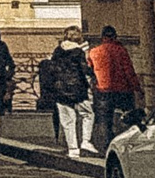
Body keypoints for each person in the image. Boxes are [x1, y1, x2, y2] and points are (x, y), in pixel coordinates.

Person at [89, 24, 141, 158]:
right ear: (115, 36)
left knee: (104, 120)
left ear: (102, 37)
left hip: (102, 90)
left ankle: (107, 148)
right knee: (130, 116)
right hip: (123, 89)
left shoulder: (94, 52)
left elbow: (90, 70)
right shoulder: (121, 50)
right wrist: (136, 87)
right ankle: (132, 144)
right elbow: (128, 70)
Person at [48, 32, 92, 161]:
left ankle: (73, 149)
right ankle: (85, 141)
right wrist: (92, 75)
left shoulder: (57, 51)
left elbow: (52, 70)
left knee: (67, 121)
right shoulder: (78, 52)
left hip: (60, 89)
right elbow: (84, 70)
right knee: (88, 114)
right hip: (77, 89)